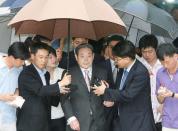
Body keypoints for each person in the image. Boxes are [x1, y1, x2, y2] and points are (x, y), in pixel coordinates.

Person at [92, 40, 156, 131]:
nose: (115, 62)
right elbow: (120, 90)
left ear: (127, 58)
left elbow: (128, 95)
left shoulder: (140, 72)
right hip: (121, 119)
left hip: (138, 122)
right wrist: (109, 90)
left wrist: (105, 91)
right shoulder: (122, 68)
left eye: (117, 59)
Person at [17, 42, 71, 131]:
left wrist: (59, 91)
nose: (44, 60)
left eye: (46, 57)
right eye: (41, 57)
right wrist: (60, 84)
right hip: (30, 123)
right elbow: (39, 90)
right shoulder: (27, 73)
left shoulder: (46, 74)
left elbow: (47, 97)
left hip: (45, 123)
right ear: (33, 56)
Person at [61, 43, 111, 131]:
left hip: (98, 122)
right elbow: (64, 99)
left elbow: (105, 96)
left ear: (93, 56)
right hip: (77, 122)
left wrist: (108, 97)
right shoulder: (69, 73)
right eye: (82, 56)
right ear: (76, 57)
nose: (86, 60)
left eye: (89, 56)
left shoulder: (102, 72)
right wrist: (71, 118)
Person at [0, 42, 30, 131]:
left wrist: (16, 94)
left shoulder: (19, 70)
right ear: (12, 58)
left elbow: (17, 87)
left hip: (9, 116)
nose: (23, 63)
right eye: (21, 60)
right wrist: (2, 97)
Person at [139, 34, 163, 131]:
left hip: (162, 112)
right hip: (143, 114)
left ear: (156, 49)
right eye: (144, 52)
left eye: (150, 51)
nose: (147, 55)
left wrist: (165, 104)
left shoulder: (163, 65)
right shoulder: (138, 65)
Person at [102, 34, 124, 131]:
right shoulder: (99, 66)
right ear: (107, 48)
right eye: (111, 47)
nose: (114, 50)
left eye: (118, 47)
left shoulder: (127, 68)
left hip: (122, 113)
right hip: (104, 113)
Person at [156, 44, 178, 131]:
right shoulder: (160, 72)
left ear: (176, 56)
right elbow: (160, 100)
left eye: (167, 62)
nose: (165, 65)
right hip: (168, 121)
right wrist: (161, 95)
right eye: (162, 63)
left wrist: (172, 94)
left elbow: (171, 94)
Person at [46, 46, 66, 131]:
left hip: (60, 115)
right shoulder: (39, 75)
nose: (54, 59)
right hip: (44, 117)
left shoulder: (63, 72)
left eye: (54, 56)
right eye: (50, 57)